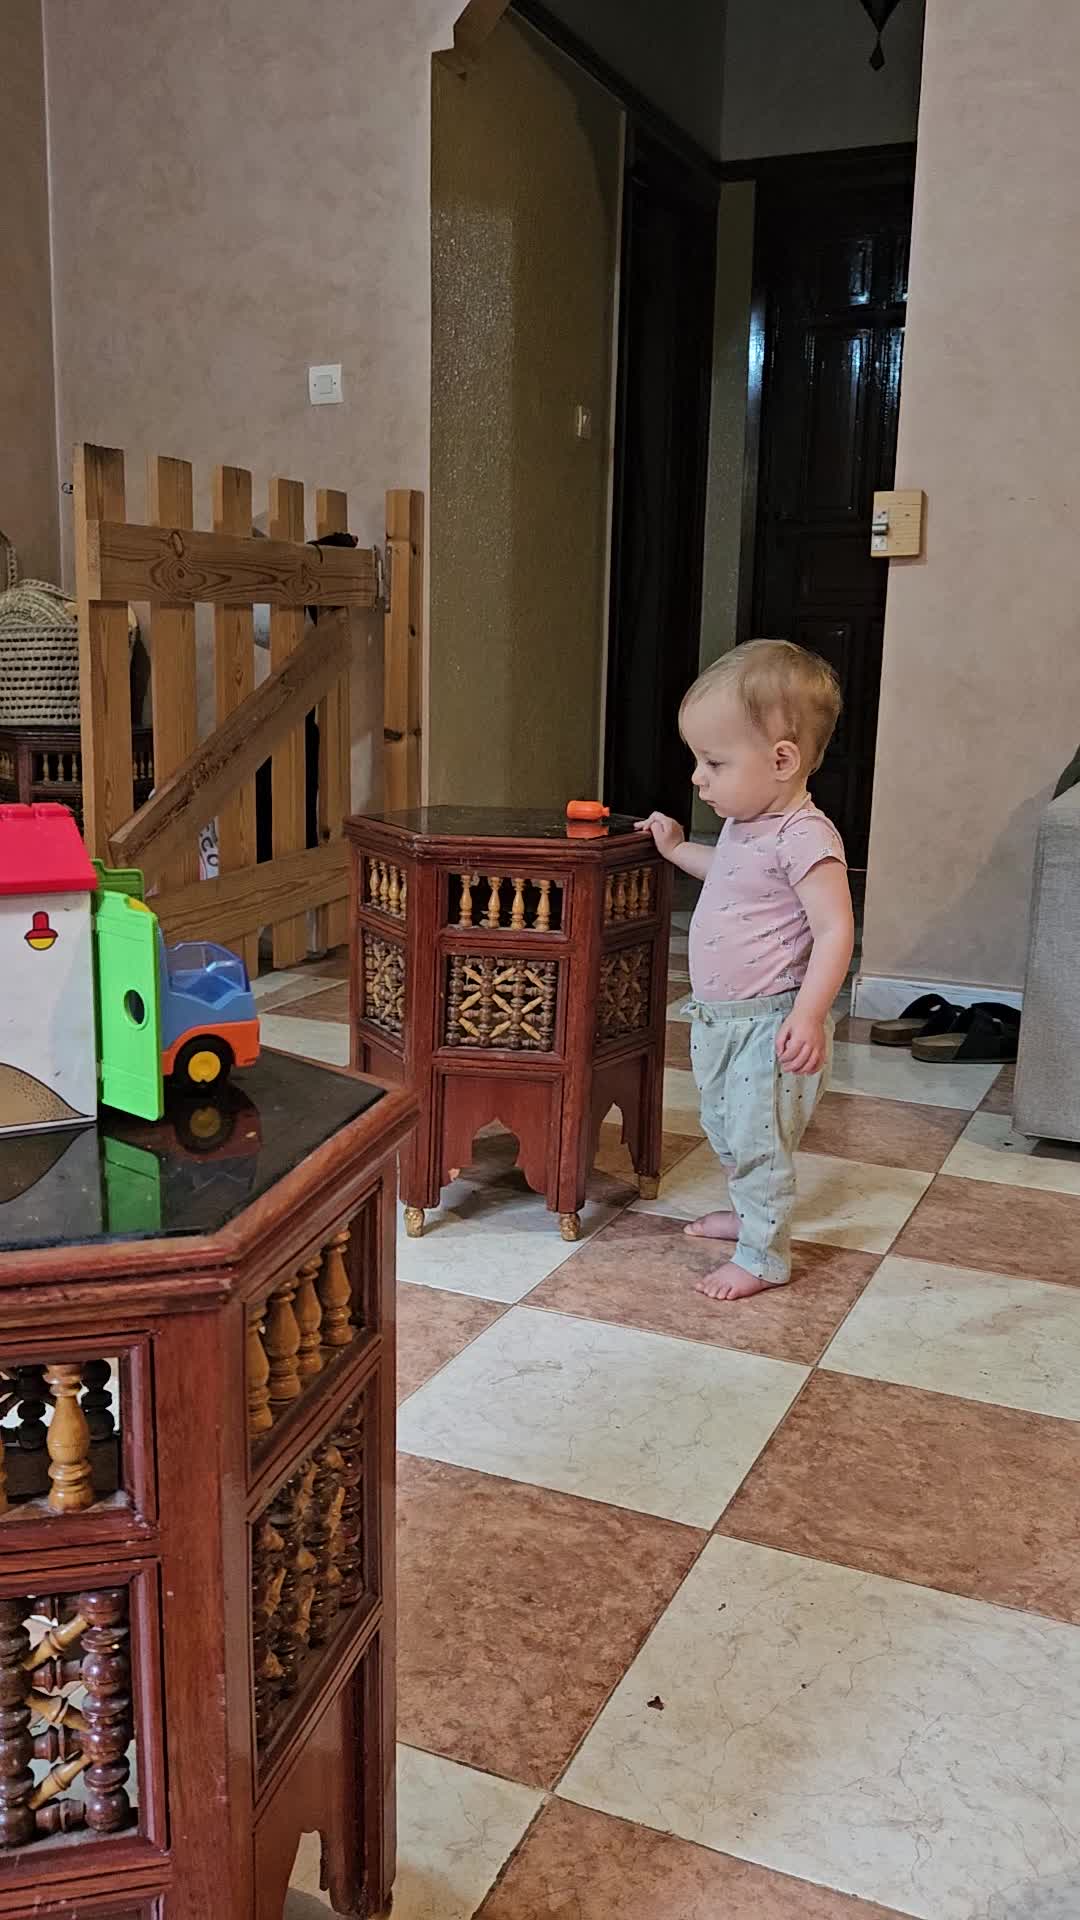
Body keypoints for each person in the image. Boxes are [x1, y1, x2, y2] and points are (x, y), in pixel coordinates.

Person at [637, 639, 854, 1301]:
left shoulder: (805, 836)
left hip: (770, 1025)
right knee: (726, 1128)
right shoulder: (745, 825)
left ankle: (763, 1256)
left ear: (782, 760)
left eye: (714, 762)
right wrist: (679, 851)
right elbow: (730, 876)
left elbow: (835, 929)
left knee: (761, 1143)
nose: (697, 778)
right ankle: (748, 1215)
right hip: (720, 1020)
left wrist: (809, 1015)